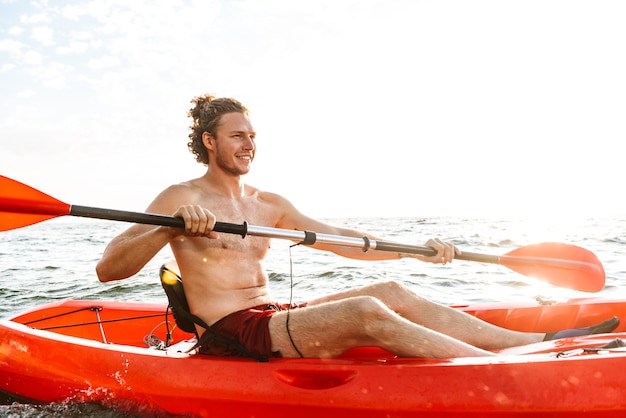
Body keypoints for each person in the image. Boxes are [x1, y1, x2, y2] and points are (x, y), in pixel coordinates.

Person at [96, 94, 619, 359]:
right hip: (230, 333)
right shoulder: (180, 198)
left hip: (271, 315)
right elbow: (107, 270)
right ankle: (505, 369)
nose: (249, 143)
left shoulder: (269, 202)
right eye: (237, 135)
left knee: (390, 288)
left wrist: (415, 252)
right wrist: (169, 229)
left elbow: (346, 243)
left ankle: (541, 340)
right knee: (368, 310)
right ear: (210, 142)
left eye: (253, 135)